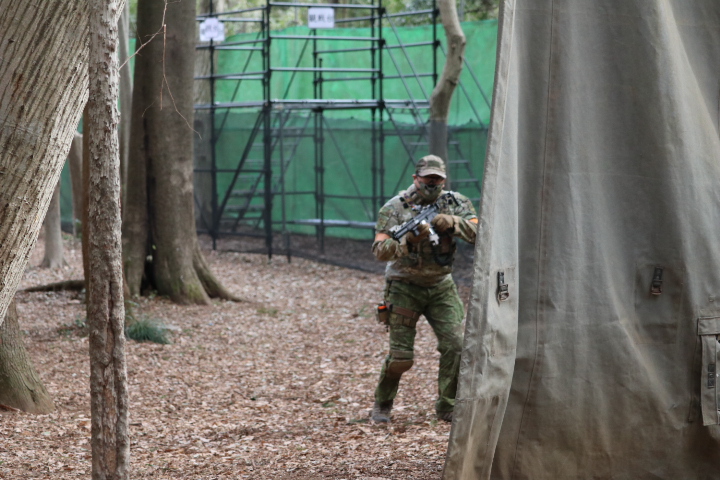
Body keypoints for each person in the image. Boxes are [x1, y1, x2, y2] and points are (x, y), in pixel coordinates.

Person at [370, 154, 478, 423]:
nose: (432, 184)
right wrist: (408, 240)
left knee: (456, 346)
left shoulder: (456, 203)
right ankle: (382, 403)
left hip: (441, 285)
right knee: (401, 357)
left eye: (437, 180)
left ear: (444, 180)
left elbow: (481, 232)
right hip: (404, 286)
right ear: (415, 178)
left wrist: (452, 223)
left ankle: (447, 406)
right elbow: (380, 251)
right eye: (427, 178)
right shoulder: (394, 208)